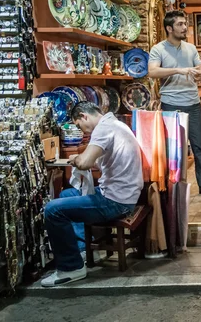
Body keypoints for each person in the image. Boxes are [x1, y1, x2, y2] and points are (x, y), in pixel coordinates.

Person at [42, 102, 143, 287]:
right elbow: (102, 162)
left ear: (83, 116)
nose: (82, 132)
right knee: (66, 195)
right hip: (122, 194)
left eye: (79, 125)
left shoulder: (103, 129)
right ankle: (82, 250)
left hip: (116, 201)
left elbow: (86, 163)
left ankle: (70, 268)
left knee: (52, 210)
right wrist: (82, 160)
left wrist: (76, 159)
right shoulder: (116, 124)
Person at [148, 10, 201, 196]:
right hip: (171, 105)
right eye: (180, 24)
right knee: (172, 149)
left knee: (200, 147)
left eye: (185, 24)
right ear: (169, 28)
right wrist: (178, 70)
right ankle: (172, 186)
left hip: (193, 103)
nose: (185, 28)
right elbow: (152, 72)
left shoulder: (191, 48)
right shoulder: (158, 49)